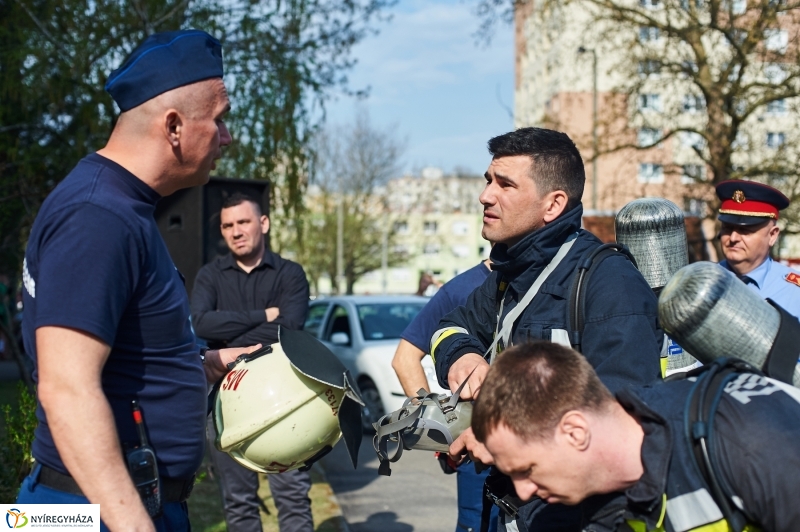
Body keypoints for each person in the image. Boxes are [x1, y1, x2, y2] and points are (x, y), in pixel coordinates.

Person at [17, 30, 258, 532]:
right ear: (173, 126)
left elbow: (118, 353)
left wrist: (200, 365)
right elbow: (65, 389)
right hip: (90, 510)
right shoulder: (97, 215)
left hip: (104, 503)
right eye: (219, 120)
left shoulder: (118, 206)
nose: (227, 137)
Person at [431, 127, 663, 531]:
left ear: (553, 204)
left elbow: (619, 422)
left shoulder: (610, 284)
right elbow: (450, 328)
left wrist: (505, 437)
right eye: (489, 181)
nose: (486, 195)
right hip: (512, 508)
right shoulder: (509, 274)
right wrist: (463, 356)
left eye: (505, 184)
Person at [473, 341, 800, 532]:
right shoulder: (599, 494)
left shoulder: (750, 444)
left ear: (575, 432)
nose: (522, 490)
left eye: (526, 469)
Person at [191, 193, 313, 532]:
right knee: (239, 503)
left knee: (293, 499)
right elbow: (200, 323)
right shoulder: (210, 276)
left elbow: (288, 327)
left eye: (243, 222)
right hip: (227, 401)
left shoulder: (290, 274)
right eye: (228, 225)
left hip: (285, 400)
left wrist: (230, 334)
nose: (236, 231)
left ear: (263, 223)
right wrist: (263, 314)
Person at [392, 258, 498, 532]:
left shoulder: (548, 276)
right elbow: (405, 359)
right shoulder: (460, 289)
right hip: (475, 451)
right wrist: (435, 422)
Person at [716, 180, 800, 317]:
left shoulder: (794, 292)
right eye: (727, 228)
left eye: (745, 230)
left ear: (772, 235)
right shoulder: (702, 281)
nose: (733, 238)